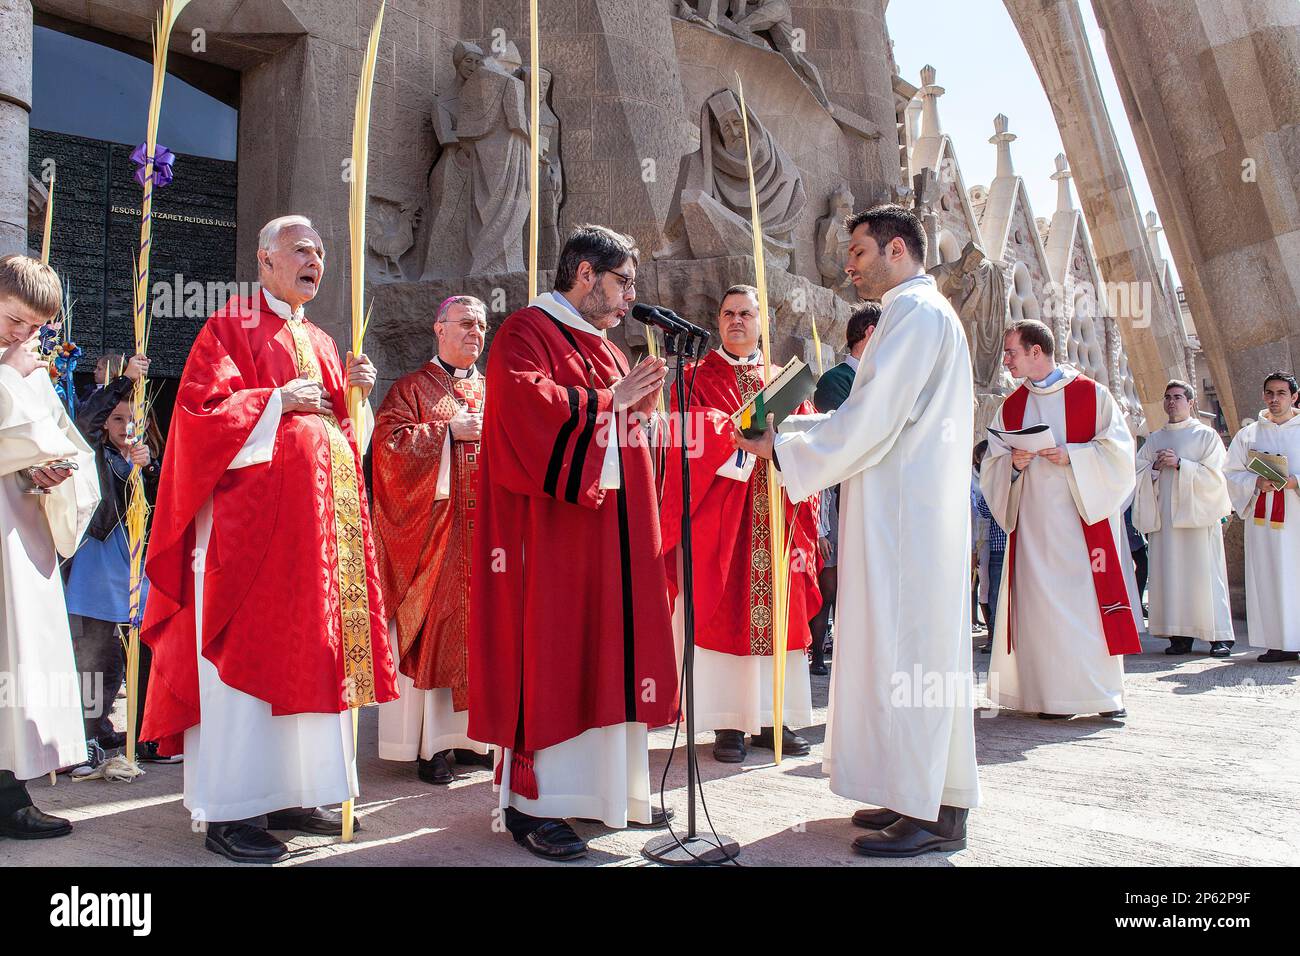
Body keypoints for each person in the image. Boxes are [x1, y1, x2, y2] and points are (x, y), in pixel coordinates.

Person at [138, 215, 399, 863]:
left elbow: (340, 441)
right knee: (246, 673)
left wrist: (356, 398)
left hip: (313, 547)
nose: (317, 259)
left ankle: (294, 792)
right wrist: (276, 400)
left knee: (308, 660)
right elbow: (199, 419)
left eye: (322, 251)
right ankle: (233, 809)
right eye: (303, 249)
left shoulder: (324, 339)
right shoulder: (230, 326)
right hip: (247, 543)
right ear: (266, 261)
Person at [736, 205, 980, 857]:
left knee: (913, 657)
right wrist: (787, 434)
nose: (849, 264)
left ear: (897, 250)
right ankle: (921, 793)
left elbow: (870, 420)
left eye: (860, 251)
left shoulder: (918, 315)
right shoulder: (911, 314)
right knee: (903, 654)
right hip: (900, 510)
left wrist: (782, 448)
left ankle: (933, 812)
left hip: (909, 522)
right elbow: (864, 418)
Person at [468, 224, 678, 861]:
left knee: (614, 647)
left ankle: (611, 791)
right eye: (622, 284)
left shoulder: (609, 348)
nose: (628, 299)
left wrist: (643, 413)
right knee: (556, 653)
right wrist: (609, 403)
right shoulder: (524, 332)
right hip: (551, 536)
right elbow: (526, 410)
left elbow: (626, 425)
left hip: (613, 533)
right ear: (584, 274)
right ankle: (539, 804)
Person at [659, 285, 821, 764]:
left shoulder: (783, 378)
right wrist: (732, 432)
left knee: (779, 613)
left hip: (776, 512)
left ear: (760, 321)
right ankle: (726, 723)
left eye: (746, 314)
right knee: (721, 611)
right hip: (721, 517)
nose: (736, 322)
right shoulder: (695, 377)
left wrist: (780, 443)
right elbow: (683, 435)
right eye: (728, 313)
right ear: (718, 319)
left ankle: (775, 718)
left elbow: (808, 439)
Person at [981, 319, 1143, 722]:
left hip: (1083, 527)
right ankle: (1051, 697)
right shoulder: (1011, 405)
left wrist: (1074, 454)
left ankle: (1101, 695)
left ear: (1037, 352)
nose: (1007, 360)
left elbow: (1121, 453)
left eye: (1012, 352)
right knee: (1043, 613)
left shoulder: (1092, 395)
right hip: (1034, 529)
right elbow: (992, 463)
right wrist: (1013, 465)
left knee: (1088, 607)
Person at [373, 295, 493, 786]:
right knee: (433, 632)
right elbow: (385, 449)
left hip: (486, 540)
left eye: (482, 326)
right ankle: (428, 746)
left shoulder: (494, 390)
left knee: (481, 634)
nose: (475, 333)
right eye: (465, 323)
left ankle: (473, 739)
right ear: (438, 329)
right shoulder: (411, 388)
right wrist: (445, 433)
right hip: (432, 540)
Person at [0, 254, 99, 839]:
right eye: (14, 320)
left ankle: (10, 792)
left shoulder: (30, 372)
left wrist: (52, 473)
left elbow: (67, 446)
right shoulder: (16, 371)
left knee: (16, 668)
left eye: (35, 328)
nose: (23, 336)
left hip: (21, 537)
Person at [64, 364, 167, 771]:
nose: (126, 426)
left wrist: (150, 469)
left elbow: (165, 507)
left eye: (133, 418)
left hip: (138, 574)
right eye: (118, 418)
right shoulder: (95, 457)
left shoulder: (149, 461)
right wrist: (123, 382)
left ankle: (141, 735)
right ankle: (84, 738)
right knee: (94, 660)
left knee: (137, 660)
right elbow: (84, 421)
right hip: (99, 571)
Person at [1132, 381, 1235, 657]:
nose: (1171, 402)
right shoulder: (1154, 439)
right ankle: (1179, 635)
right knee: (1171, 576)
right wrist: (1153, 467)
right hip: (1166, 521)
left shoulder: (1206, 436)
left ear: (1190, 402)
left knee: (1205, 575)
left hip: (1198, 522)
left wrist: (1181, 465)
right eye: (1167, 397)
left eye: (1177, 397)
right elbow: (1136, 474)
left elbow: (1217, 478)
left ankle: (1218, 636)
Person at [809, 304, 881, 675]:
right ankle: (818, 652)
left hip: (871, 495)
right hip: (837, 495)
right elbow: (835, 438)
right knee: (831, 581)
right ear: (869, 333)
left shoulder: (878, 377)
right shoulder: (836, 380)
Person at [1224, 371, 1300, 663]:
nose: (1274, 399)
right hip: (1264, 521)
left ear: (1294, 397)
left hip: (1295, 519)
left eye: (1281, 393)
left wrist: (1294, 481)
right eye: (1270, 393)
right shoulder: (1250, 434)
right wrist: (1255, 482)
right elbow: (1231, 472)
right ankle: (1278, 642)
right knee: (1268, 576)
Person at [972, 441, 1007, 654]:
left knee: (1000, 595)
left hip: (1010, 547)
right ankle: (994, 638)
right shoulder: (989, 483)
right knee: (992, 594)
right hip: (996, 547)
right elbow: (984, 510)